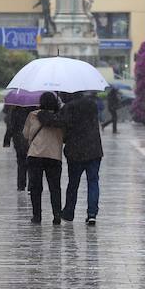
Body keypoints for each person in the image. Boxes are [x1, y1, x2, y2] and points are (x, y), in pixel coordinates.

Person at [37, 91, 103, 225]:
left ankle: (69, 211)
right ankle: (92, 214)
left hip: (76, 151)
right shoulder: (91, 104)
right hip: (94, 149)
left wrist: (43, 115)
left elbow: (58, 122)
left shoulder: (69, 107)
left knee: (73, 183)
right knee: (93, 181)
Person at [22, 92, 64, 224]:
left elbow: (26, 134)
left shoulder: (33, 115)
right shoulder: (60, 118)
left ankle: (37, 216)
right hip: (54, 156)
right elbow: (65, 136)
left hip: (35, 155)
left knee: (35, 187)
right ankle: (57, 215)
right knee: (55, 188)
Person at [3, 104, 35, 191]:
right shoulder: (34, 111)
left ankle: (21, 185)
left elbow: (11, 126)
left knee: (21, 162)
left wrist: (7, 139)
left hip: (19, 139)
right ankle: (30, 185)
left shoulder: (15, 110)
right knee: (31, 162)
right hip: (31, 139)